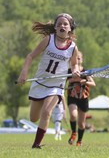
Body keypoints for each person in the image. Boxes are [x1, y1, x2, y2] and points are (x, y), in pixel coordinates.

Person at [16, 13, 80, 149]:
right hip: (40, 83)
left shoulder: (72, 47)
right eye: (59, 24)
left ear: (70, 28)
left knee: (47, 112)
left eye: (65, 24)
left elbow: (74, 64)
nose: (62, 26)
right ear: (55, 27)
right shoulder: (48, 40)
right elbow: (30, 56)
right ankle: (40, 132)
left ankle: (36, 144)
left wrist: (75, 70)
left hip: (57, 85)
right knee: (34, 118)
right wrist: (24, 72)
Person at [67, 51, 96, 146]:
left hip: (83, 98)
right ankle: (73, 133)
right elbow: (62, 82)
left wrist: (85, 82)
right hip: (72, 97)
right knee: (73, 115)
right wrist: (71, 80)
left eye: (79, 58)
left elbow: (93, 84)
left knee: (81, 124)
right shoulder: (69, 71)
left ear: (82, 60)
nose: (77, 59)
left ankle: (79, 141)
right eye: (76, 57)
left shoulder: (85, 72)